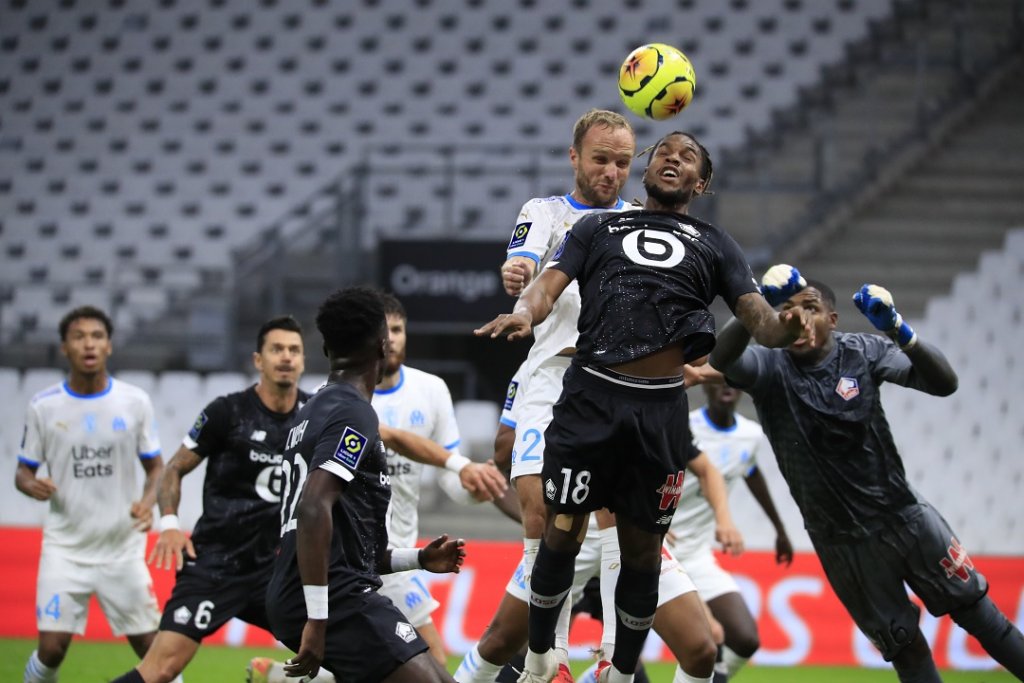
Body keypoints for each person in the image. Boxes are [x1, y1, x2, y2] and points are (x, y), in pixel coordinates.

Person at [476, 131, 810, 683]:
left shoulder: (717, 243)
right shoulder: (596, 227)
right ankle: (540, 655)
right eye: (664, 152)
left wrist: (783, 327)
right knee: (561, 529)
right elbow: (549, 285)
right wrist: (525, 313)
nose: (672, 158)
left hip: (659, 414)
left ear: (700, 183)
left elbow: (760, 322)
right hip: (590, 397)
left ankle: (620, 670)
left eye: (687, 157)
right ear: (648, 168)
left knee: (641, 552)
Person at [707, 267, 1024, 682]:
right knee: (905, 649)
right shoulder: (769, 369)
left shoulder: (862, 352)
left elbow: (944, 384)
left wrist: (899, 330)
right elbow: (721, 359)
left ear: (831, 320)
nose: (798, 318)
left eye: (810, 308)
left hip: (905, 519)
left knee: (982, 618)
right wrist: (755, 304)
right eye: (786, 311)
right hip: (843, 546)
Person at [265, 286, 466, 682]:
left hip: (314, 589)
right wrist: (318, 620)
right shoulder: (353, 413)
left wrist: (419, 559)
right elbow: (311, 509)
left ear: (325, 350)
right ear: (382, 345)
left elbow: (348, 545)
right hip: (335, 598)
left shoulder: (314, 410)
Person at [108, 317, 310, 683]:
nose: (286, 357)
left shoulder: (315, 416)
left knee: (343, 654)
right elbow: (172, 469)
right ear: (258, 360)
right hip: (216, 563)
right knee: (161, 670)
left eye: (294, 350)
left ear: (303, 360)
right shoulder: (227, 412)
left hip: (278, 572)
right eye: (276, 349)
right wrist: (169, 524)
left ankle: (277, 677)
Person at [16, 306, 166, 683]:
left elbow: (156, 468)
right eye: (79, 336)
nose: (89, 344)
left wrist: (148, 503)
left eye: (97, 336)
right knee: (51, 649)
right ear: (64, 347)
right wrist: (29, 484)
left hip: (121, 547)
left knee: (153, 648)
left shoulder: (134, 402)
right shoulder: (44, 407)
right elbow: (23, 470)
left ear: (109, 347)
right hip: (66, 548)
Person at [373, 292, 507, 665]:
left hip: (397, 551)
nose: (392, 338)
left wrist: (473, 489)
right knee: (432, 663)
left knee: (384, 666)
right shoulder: (343, 396)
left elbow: (450, 474)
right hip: (359, 552)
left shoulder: (429, 390)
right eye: (383, 331)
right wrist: (459, 466)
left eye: (398, 329)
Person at [668, 382, 794, 679]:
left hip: (696, 554)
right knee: (704, 638)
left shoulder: (749, 435)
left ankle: (719, 677)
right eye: (717, 379)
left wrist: (780, 529)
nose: (725, 385)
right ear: (705, 387)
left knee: (745, 639)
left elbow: (750, 472)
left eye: (732, 379)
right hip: (659, 549)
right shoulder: (685, 425)